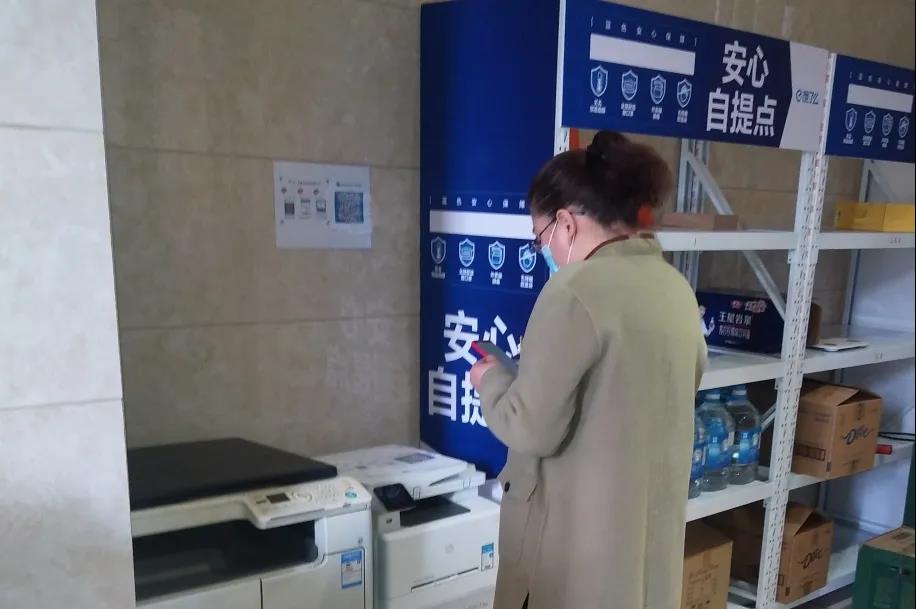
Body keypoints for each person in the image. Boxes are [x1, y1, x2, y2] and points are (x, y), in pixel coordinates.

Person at [470, 130, 707, 609]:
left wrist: (490, 380)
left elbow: (530, 428)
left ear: (565, 223)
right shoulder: (674, 287)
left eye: (540, 238)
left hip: (579, 553)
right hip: (644, 550)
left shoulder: (574, 291)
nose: (546, 251)